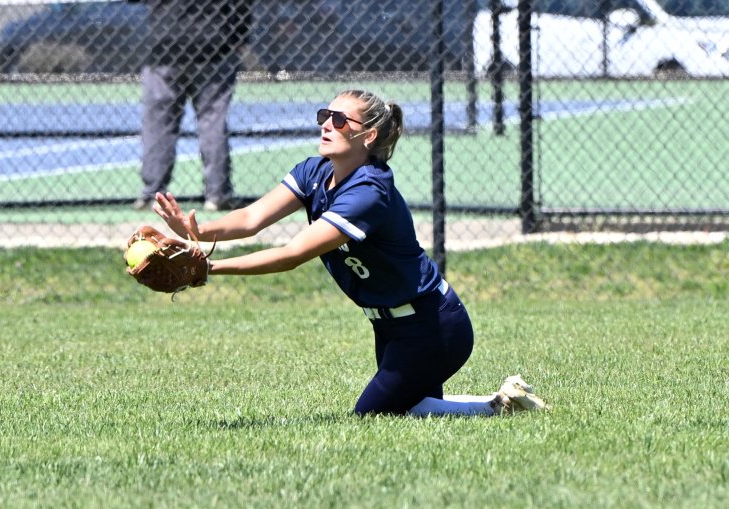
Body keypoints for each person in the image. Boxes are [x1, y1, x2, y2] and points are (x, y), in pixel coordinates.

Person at [153, 89, 548, 416]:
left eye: (341, 120)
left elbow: (292, 254)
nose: (327, 124)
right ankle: (503, 401)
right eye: (326, 115)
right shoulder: (314, 172)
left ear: (369, 136)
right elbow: (252, 218)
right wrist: (196, 231)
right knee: (417, 408)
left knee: (372, 416)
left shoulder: (367, 194)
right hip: (390, 328)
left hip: (432, 327)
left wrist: (209, 268)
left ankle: (499, 407)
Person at [132, 0, 254, 211]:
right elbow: (243, 5)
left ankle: (153, 194)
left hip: (168, 45)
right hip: (214, 46)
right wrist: (239, 37)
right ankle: (217, 194)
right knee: (212, 122)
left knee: (159, 124)